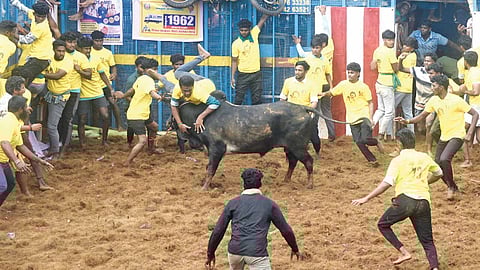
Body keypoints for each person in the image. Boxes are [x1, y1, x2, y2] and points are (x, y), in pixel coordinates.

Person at [352, 128, 443, 270]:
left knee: (383, 224)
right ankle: (434, 267)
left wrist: (366, 198)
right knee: (427, 240)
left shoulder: (398, 160)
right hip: (423, 202)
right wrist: (426, 182)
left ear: (399, 143)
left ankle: (404, 252)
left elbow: (386, 184)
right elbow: (439, 173)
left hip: (405, 201)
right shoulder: (424, 157)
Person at [396, 74, 479, 200]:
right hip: (444, 136)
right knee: (438, 165)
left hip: (457, 135)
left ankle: (450, 188)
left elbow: (475, 114)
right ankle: (453, 187)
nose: (431, 88)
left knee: (445, 159)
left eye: (433, 86)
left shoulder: (456, 100)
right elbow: (422, 116)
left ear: (441, 87)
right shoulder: (434, 100)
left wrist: (469, 132)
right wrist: (407, 121)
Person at [205, 168, 303, 270]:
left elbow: (218, 231)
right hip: (257, 253)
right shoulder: (269, 204)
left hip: (235, 252)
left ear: (243, 184)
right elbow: (285, 230)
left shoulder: (233, 203)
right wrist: (294, 248)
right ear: (260, 184)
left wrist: (210, 253)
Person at [320, 62, 384, 167]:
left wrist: (370, 118)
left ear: (358, 74)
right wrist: (324, 94)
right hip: (352, 119)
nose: (349, 74)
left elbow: (370, 102)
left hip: (364, 117)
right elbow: (332, 92)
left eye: (352, 73)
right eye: (348, 72)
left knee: (365, 139)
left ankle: (376, 142)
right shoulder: (343, 84)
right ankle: (372, 160)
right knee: (358, 142)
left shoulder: (363, 87)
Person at [0, 76, 52, 192]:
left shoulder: (14, 111)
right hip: (8, 143)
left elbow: (20, 145)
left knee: (10, 182)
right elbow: (4, 140)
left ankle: (30, 188)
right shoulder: (7, 111)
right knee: (4, 184)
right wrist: (29, 127)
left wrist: (40, 160)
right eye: (22, 87)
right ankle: (30, 189)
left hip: (14, 139)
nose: (25, 90)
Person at [292, 5, 336, 142]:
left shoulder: (323, 56)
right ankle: (317, 136)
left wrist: (331, 88)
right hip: (316, 88)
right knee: (316, 113)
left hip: (320, 88)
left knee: (319, 112)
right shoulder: (324, 53)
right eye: (314, 47)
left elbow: (328, 74)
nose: (315, 49)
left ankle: (328, 135)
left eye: (317, 47)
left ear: (322, 46)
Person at [114, 58, 164, 165]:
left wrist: (123, 96)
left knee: (154, 127)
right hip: (137, 115)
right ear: (148, 70)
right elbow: (152, 93)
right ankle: (128, 161)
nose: (156, 72)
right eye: (155, 70)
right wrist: (160, 97)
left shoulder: (140, 78)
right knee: (142, 141)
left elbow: (131, 90)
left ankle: (151, 149)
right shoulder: (148, 80)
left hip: (142, 113)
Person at [57, 31, 92, 156]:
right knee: (57, 119)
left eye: (74, 42)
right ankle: (57, 143)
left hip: (73, 91)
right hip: (58, 91)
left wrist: (79, 71)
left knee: (68, 118)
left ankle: (64, 146)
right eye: (69, 42)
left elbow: (89, 75)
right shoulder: (59, 53)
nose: (72, 45)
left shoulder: (81, 57)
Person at [280, 61, 321, 157]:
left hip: (305, 115)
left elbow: (314, 102)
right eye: (296, 70)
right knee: (287, 138)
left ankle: (318, 152)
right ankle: (288, 156)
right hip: (291, 116)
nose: (297, 72)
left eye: (300, 70)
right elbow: (282, 98)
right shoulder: (288, 82)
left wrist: (307, 112)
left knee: (314, 138)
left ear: (306, 72)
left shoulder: (312, 84)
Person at [77, 36, 111, 147]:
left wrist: (110, 88)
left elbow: (102, 74)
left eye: (89, 48)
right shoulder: (76, 59)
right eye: (85, 49)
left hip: (97, 91)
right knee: (82, 120)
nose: (87, 51)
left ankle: (104, 140)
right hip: (83, 94)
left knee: (105, 116)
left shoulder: (96, 59)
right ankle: (82, 143)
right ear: (79, 49)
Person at [10, 0, 53, 88]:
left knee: (21, 74)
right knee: (20, 74)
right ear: (34, 14)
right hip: (34, 57)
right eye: (38, 16)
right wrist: (14, 2)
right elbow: (24, 9)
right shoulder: (33, 16)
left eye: (43, 17)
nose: (40, 19)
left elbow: (27, 40)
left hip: (42, 59)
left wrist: (13, 35)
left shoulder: (41, 27)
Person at [43, 40, 73, 159]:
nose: (61, 53)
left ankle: (55, 151)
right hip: (50, 93)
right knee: (50, 124)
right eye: (59, 51)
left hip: (60, 97)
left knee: (51, 126)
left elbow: (57, 76)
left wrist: (41, 74)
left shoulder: (67, 62)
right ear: (54, 50)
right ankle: (53, 147)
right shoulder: (49, 57)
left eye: (63, 51)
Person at [231, 14, 269, 105]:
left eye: (246, 30)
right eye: (242, 30)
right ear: (239, 30)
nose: (244, 32)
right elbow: (234, 61)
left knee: (257, 99)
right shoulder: (236, 43)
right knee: (238, 98)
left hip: (256, 73)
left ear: (249, 29)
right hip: (243, 74)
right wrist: (232, 77)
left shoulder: (254, 34)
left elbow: (263, 19)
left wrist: (268, 10)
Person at [90, 30, 124, 131]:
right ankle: (96, 129)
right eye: (96, 41)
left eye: (101, 40)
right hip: (93, 84)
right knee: (96, 108)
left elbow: (113, 66)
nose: (99, 43)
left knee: (113, 103)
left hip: (106, 84)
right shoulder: (88, 51)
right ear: (92, 40)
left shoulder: (108, 53)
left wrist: (114, 73)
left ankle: (119, 126)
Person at [371, 30, 399, 140]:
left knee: (381, 109)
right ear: (384, 40)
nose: (391, 42)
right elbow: (396, 68)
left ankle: (371, 125)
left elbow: (373, 66)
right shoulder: (390, 51)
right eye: (389, 40)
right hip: (387, 83)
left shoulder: (377, 50)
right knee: (389, 112)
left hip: (379, 81)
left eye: (392, 40)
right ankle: (381, 133)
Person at [458, 51, 480, 168]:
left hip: (475, 106)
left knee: (463, 131)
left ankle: (467, 160)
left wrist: (464, 91)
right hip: (476, 105)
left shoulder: (474, 73)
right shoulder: (474, 72)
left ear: (465, 62)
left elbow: (476, 92)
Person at [122, 56, 147, 147]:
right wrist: (136, 104)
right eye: (141, 67)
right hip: (131, 106)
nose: (143, 69)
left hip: (143, 106)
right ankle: (129, 142)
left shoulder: (146, 77)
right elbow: (127, 95)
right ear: (136, 67)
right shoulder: (132, 79)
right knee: (131, 126)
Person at [395, 37, 418, 133]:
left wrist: (400, 59)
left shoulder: (408, 57)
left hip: (401, 86)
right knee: (408, 112)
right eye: (404, 44)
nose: (404, 46)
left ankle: (388, 133)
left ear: (412, 48)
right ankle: (411, 133)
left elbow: (398, 68)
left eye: (407, 46)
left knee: (390, 109)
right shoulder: (413, 56)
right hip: (408, 87)